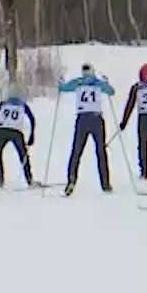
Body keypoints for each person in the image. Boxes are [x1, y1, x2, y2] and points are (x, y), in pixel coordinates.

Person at [57, 64, 116, 196]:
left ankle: (71, 180)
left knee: (76, 151)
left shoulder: (78, 82)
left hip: (82, 119)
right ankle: (105, 183)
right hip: (96, 119)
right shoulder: (97, 83)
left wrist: (60, 83)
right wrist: (107, 83)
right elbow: (111, 91)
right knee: (101, 151)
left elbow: (64, 88)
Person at [0, 88, 38, 187]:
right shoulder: (23, 105)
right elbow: (32, 119)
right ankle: (29, 179)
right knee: (23, 155)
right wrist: (31, 135)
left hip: (2, 130)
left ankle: (0, 179)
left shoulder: (4, 103)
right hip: (16, 131)